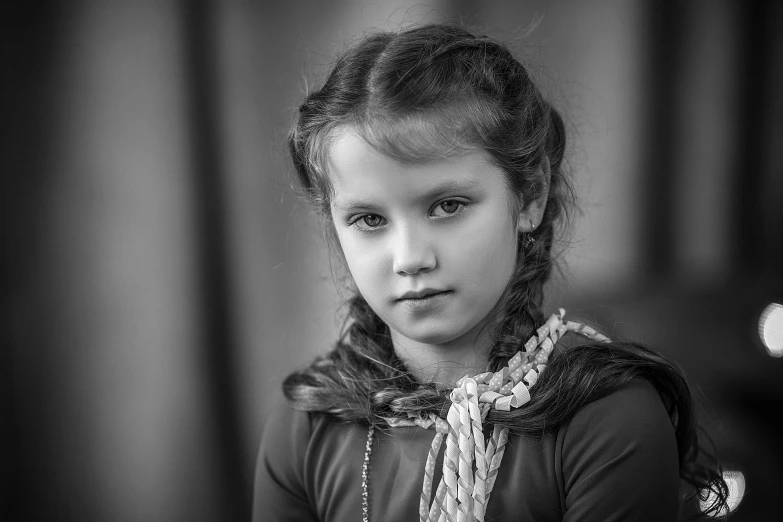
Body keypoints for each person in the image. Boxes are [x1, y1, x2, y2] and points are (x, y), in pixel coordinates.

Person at [253, 24, 728, 521]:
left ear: (531, 196)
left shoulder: (607, 419)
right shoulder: (307, 425)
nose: (410, 257)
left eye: (448, 205)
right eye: (369, 220)